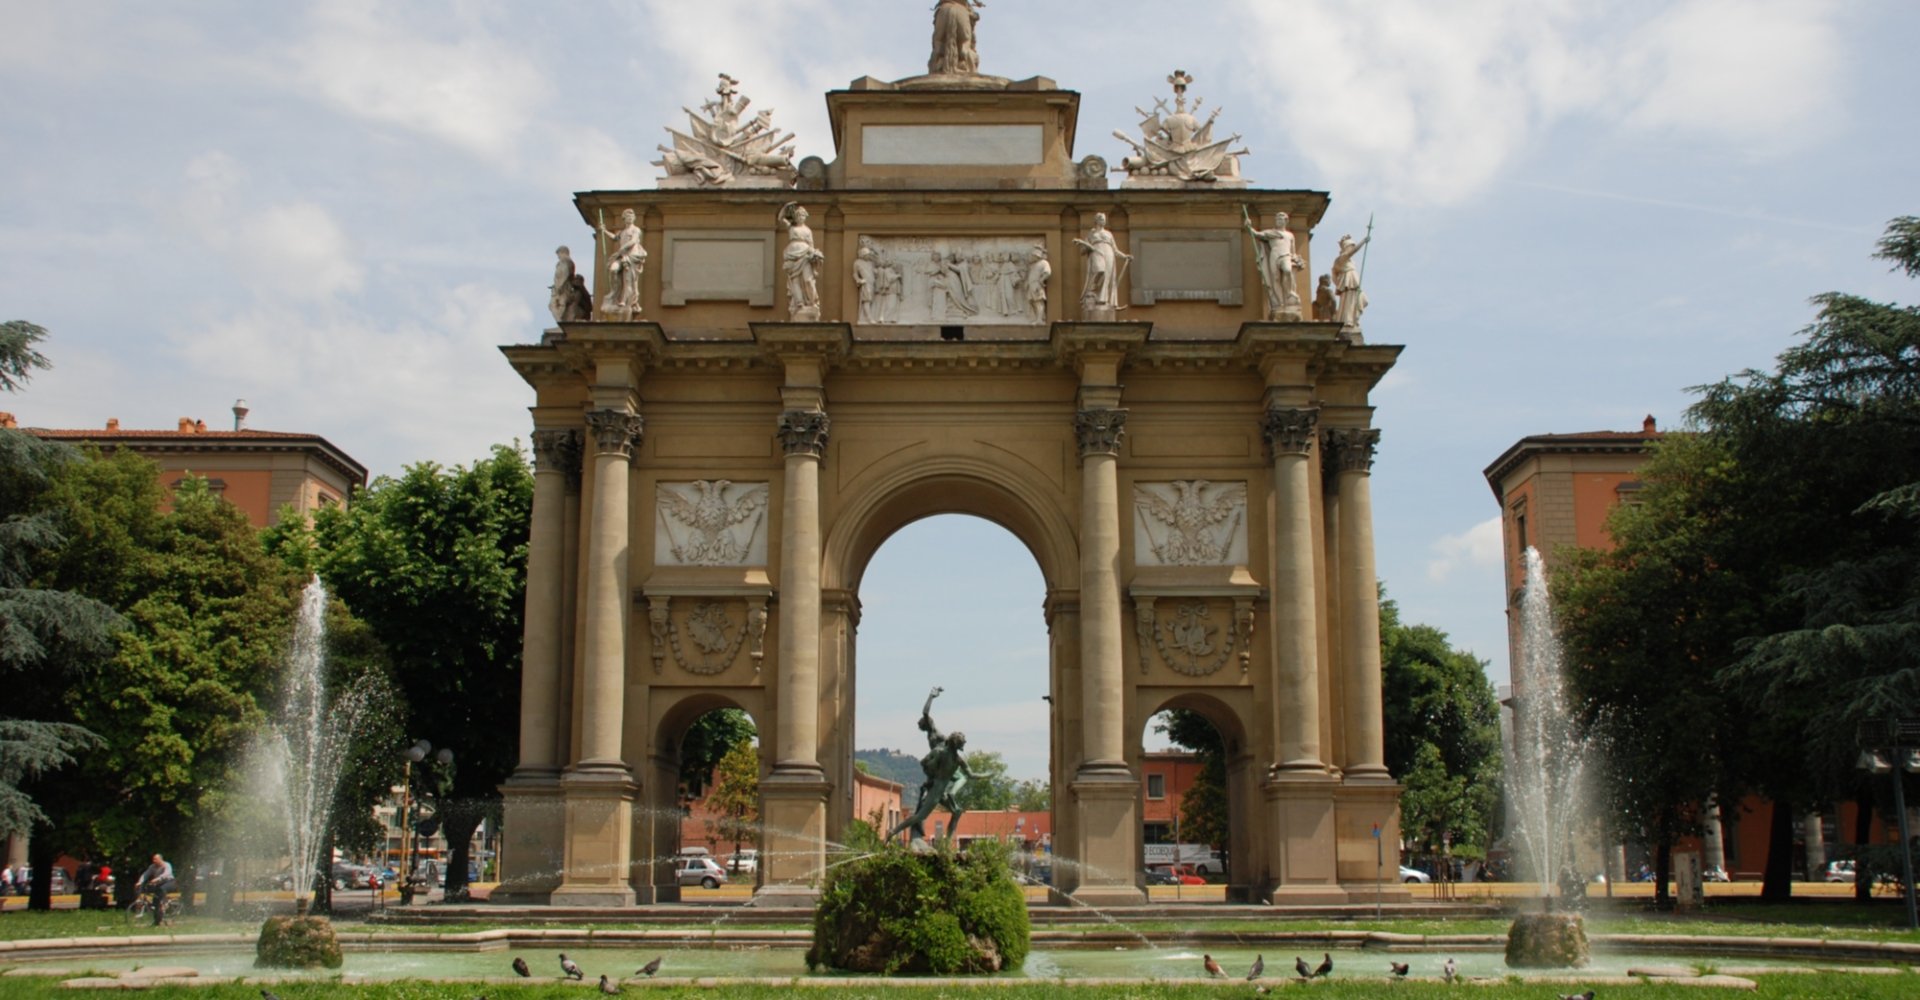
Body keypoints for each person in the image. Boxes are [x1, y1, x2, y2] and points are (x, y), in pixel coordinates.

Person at [885, 686, 974, 845]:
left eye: (921, 724)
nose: (921, 726)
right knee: (940, 808)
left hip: (947, 766)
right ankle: (922, 835)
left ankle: (951, 795)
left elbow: (925, 712)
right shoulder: (931, 736)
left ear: (925, 724)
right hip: (940, 770)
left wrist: (931, 697)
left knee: (961, 781)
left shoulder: (934, 732)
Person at [1243, 209, 1302, 320]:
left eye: (1281, 219)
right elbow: (1255, 234)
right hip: (1274, 256)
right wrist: (1248, 226)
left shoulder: (1290, 235)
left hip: (1286, 256)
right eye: (1277, 219)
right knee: (1275, 278)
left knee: (1287, 270)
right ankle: (1279, 303)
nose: (1279, 220)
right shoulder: (1271, 233)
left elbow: (1293, 251)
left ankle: (1289, 293)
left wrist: (1296, 259)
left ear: (1286, 221)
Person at [1072, 213, 1130, 317]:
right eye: (1101, 219)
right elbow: (1083, 251)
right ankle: (1091, 292)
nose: (1103, 221)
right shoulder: (1091, 234)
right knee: (1100, 270)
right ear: (1096, 221)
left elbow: (1115, 249)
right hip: (1096, 253)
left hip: (1109, 254)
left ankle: (1102, 300)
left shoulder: (1109, 234)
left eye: (1104, 219)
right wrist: (1083, 244)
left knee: (1107, 277)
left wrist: (1124, 256)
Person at [598, 209, 648, 320]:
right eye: (627, 217)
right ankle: (615, 294)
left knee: (628, 280)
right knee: (613, 269)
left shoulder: (636, 230)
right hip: (622, 255)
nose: (629, 218)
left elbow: (634, 241)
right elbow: (615, 238)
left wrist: (623, 247)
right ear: (624, 219)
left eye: (631, 216)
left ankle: (625, 302)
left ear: (634, 218)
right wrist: (604, 230)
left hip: (632, 257)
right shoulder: (623, 231)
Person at [778, 203, 824, 319]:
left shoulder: (808, 231)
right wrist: (786, 207)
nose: (801, 218)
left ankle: (812, 303)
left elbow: (811, 245)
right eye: (798, 216)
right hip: (792, 253)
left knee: (808, 280)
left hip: (805, 253)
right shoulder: (791, 227)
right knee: (795, 281)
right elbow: (780, 218)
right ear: (795, 217)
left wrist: (815, 256)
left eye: (802, 216)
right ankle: (799, 303)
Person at [928, 0, 984, 76]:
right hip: (962, 9)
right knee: (965, 46)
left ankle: (937, 66)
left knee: (939, 43)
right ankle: (971, 70)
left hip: (944, 9)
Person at [1332, 232, 1370, 331]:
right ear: (1346, 248)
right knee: (1350, 300)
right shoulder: (1341, 258)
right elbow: (1353, 252)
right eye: (1350, 246)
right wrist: (1363, 241)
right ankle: (1349, 321)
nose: (1352, 248)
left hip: (1353, 280)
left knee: (1362, 300)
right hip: (1349, 282)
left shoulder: (1350, 261)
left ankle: (1352, 319)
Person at [135, 853, 175, 925]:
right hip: (159, 883)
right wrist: (140, 882)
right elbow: (145, 874)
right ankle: (157, 921)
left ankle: (164, 903)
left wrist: (157, 879)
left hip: (169, 882)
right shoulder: (152, 867)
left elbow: (167, 874)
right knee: (155, 902)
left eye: (155, 859)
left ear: (160, 859)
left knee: (162, 889)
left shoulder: (166, 865)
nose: (154, 861)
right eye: (153, 859)